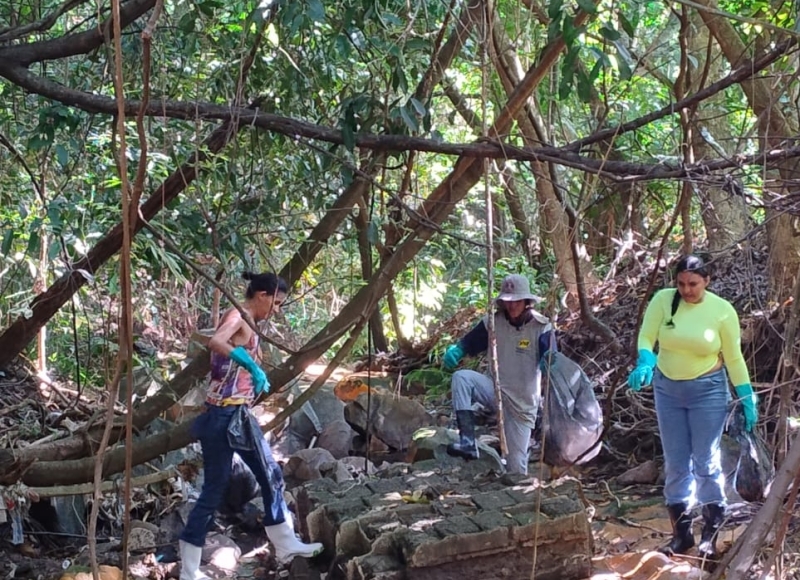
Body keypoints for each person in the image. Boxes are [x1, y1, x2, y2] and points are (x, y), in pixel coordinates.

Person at [178, 272, 322, 580]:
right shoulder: (240, 315)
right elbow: (216, 341)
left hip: (218, 415)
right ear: (262, 295)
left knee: (213, 491)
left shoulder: (247, 320)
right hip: (232, 416)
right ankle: (285, 546)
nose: (277, 310)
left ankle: (190, 570)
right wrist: (250, 364)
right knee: (271, 476)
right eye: (277, 303)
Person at [627, 254, 758, 560]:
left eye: (694, 284)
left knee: (705, 459)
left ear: (707, 281)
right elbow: (647, 335)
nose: (687, 290)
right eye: (682, 283)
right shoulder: (663, 301)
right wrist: (645, 359)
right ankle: (681, 535)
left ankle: (709, 535)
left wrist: (746, 395)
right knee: (675, 461)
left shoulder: (722, 311)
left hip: (708, 390)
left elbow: (734, 357)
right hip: (667, 388)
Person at [442, 274, 556, 475]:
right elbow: (468, 344)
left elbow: (551, 358)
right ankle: (467, 441)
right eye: (507, 302)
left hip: (522, 404)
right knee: (462, 378)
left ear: (526, 301)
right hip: (494, 390)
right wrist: (457, 350)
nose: (512, 307)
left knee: (515, 470)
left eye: (517, 301)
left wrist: (550, 364)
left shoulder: (542, 327)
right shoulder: (492, 323)